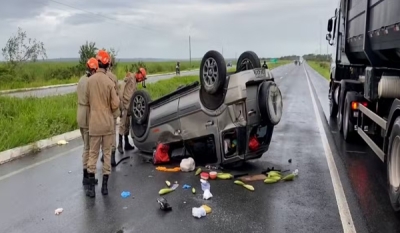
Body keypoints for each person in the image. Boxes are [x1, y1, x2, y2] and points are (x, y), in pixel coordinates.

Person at [85, 50, 120, 198]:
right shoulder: (109, 82)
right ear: (107, 64)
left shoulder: (89, 81)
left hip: (94, 124)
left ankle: (91, 189)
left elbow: (87, 102)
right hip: (107, 124)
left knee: (92, 154)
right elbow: (115, 104)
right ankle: (105, 187)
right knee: (106, 153)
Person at [77, 57, 99, 187]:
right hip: (87, 115)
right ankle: (87, 176)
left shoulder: (81, 79)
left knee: (85, 145)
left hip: (79, 113)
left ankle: (85, 175)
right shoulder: (90, 82)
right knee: (88, 148)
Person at [100, 60, 121, 167]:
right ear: (109, 65)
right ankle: (112, 157)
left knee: (102, 133)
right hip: (112, 109)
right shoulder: (113, 77)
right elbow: (117, 93)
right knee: (112, 133)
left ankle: (104, 155)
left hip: (101, 110)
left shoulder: (97, 77)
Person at [117, 71, 137, 153]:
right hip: (124, 104)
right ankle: (120, 145)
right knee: (122, 124)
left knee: (127, 124)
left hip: (129, 106)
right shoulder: (129, 77)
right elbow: (122, 89)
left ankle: (126, 143)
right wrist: (121, 103)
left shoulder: (135, 81)